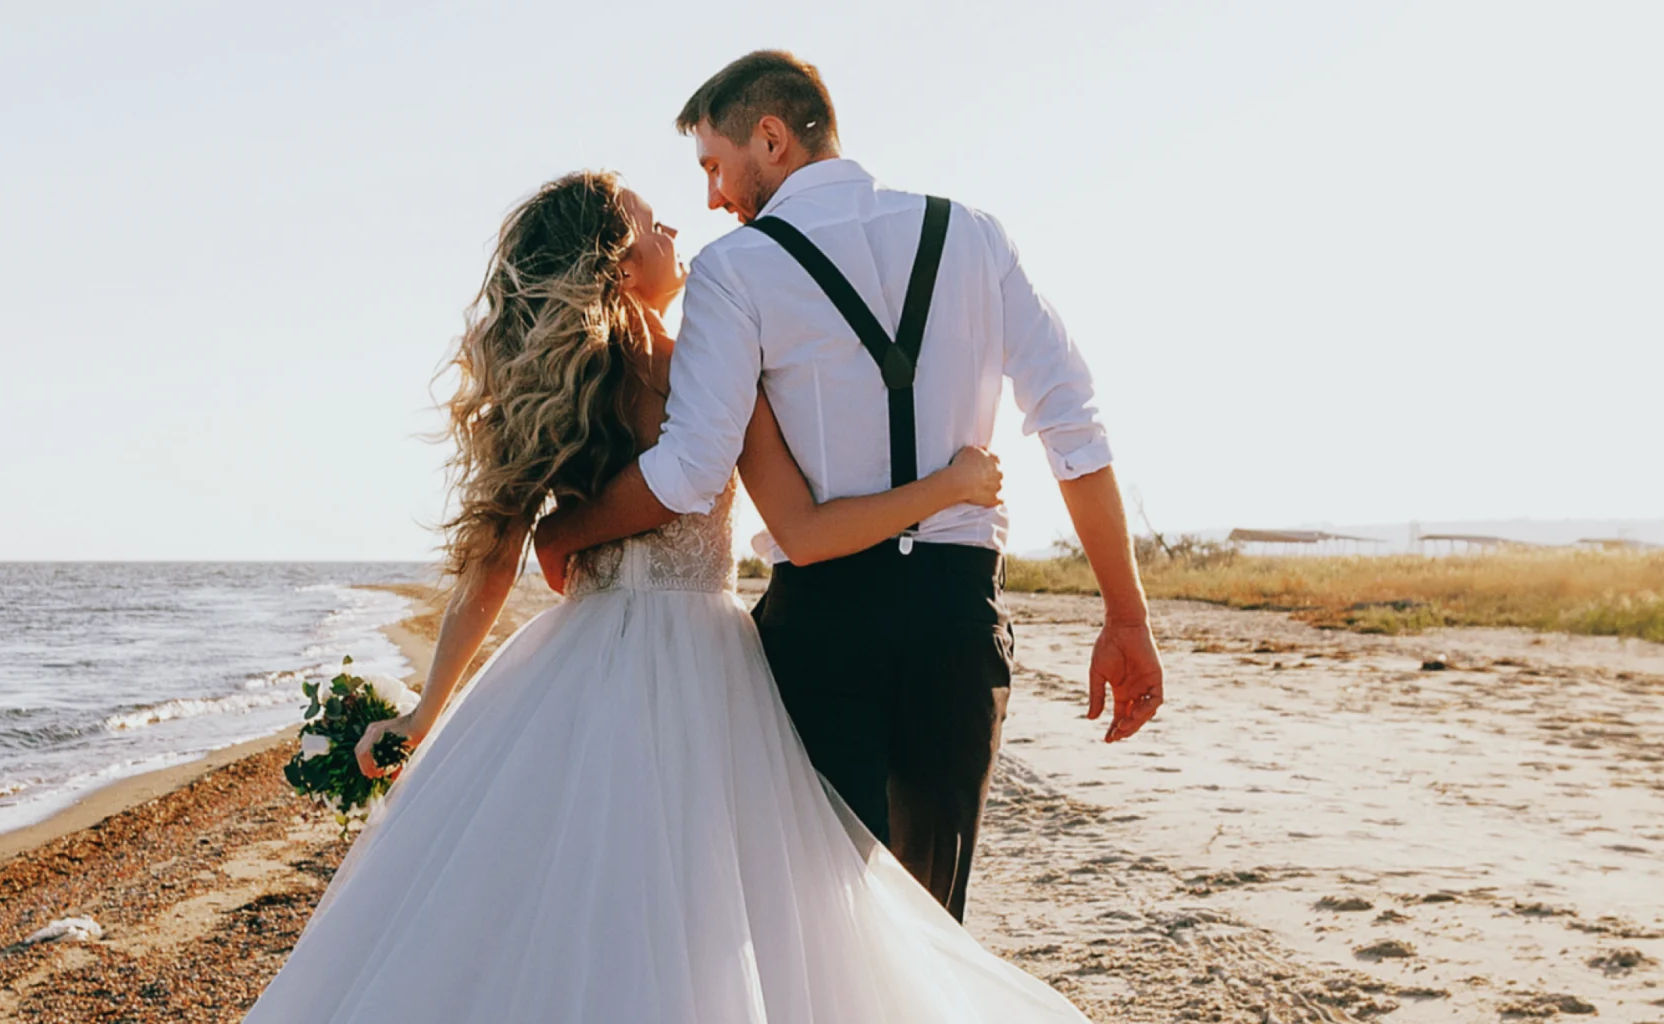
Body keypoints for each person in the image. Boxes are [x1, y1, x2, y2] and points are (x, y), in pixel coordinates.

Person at [241, 168, 1091, 1022]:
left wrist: (431, 707)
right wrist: (944, 487)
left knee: (556, 904)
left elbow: (493, 564)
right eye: (652, 223)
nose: (674, 233)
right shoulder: (710, 375)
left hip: (576, 667)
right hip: (708, 673)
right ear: (614, 261)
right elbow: (804, 528)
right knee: (712, 917)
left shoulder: (555, 394)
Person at [532, 50, 1165, 921]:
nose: (713, 196)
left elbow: (689, 468)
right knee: (931, 926)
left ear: (772, 137)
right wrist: (1124, 616)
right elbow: (1072, 426)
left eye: (715, 165)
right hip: (955, 620)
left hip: (822, 626)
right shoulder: (973, 235)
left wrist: (567, 532)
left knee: (825, 929)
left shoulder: (736, 268)